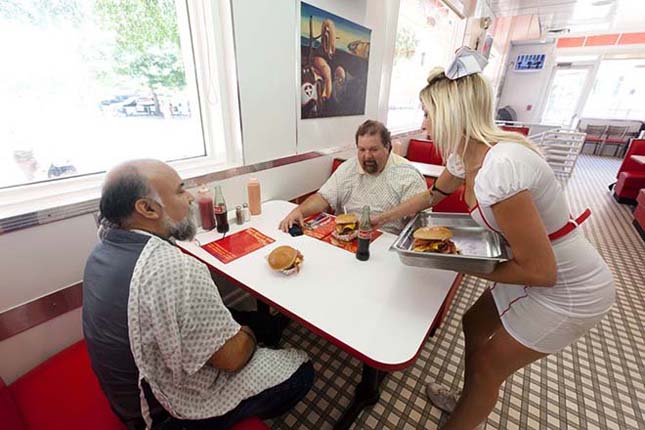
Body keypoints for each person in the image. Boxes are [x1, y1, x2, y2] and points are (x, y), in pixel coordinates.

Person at [373, 48, 614, 430]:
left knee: (488, 366)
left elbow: (541, 271)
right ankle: (470, 399)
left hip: (571, 288)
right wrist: (381, 218)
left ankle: (467, 410)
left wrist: (452, 262)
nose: (424, 124)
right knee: (473, 323)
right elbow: (430, 197)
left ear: (451, 114)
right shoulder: (462, 158)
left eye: (428, 113)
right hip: (531, 265)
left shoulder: (502, 168)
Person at [83, 160, 313, 430]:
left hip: (126, 397)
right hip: (165, 415)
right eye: (180, 191)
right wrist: (247, 334)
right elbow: (232, 359)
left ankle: (264, 332)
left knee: (249, 320)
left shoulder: (100, 253)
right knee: (301, 370)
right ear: (146, 208)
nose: (190, 197)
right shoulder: (175, 268)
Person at [279, 120, 427, 234]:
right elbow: (324, 197)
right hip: (346, 237)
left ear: (387, 147)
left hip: (386, 244)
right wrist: (300, 211)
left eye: (373, 149)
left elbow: (420, 226)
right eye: (362, 149)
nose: (367, 156)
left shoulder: (408, 176)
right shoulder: (349, 167)